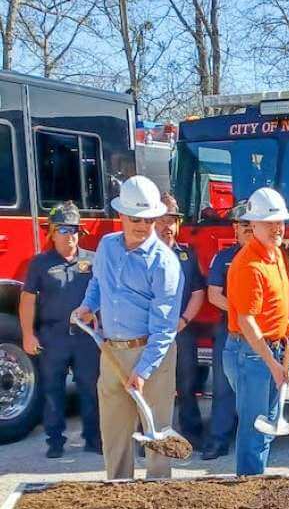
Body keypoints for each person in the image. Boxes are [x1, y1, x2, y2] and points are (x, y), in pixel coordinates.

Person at [72, 176, 183, 480]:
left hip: (153, 355)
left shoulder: (165, 264)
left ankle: (159, 496)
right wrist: (87, 306)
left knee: (156, 433)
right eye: (135, 219)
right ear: (120, 215)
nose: (143, 226)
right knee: (115, 432)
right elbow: (97, 283)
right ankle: (119, 494)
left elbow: (165, 327)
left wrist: (144, 370)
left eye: (149, 220)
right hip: (110, 352)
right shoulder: (107, 247)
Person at [224, 188, 289, 476]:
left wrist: (286, 324)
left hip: (267, 349)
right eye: (269, 223)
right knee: (255, 426)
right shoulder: (249, 265)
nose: (276, 228)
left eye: (280, 222)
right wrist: (272, 363)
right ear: (252, 225)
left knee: (267, 424)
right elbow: (247, 321)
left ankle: (257, 479)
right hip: (252, 354)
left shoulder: (276, 255)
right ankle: (249, 486)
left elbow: (268, 307)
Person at [19, 202, 100, 458]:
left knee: (90, 388)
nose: (70, 235)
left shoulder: (93, 260)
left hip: (85, 336)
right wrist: (27, 334)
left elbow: (104, 296)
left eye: (74, 229)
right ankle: (55, 441)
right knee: (53, 391)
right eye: (64, 229)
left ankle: (93, 438)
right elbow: (28, 299)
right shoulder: (39, 264)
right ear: (52, 233)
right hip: (52, 337)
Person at [155, 193, 206, 448]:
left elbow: (198, 292)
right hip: (150, 334)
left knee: (187, 385)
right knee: (153, 388)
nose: (167, 226)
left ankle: (191, 434)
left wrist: (184, 320)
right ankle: (152, 440)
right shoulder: (142, 256)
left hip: (181, 330)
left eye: (172, 219)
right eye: (162, 219)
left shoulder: (187, 255)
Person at [202, 202, 252, 460]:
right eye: (244, 225)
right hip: (229, 330)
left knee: (257, 389)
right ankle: (218, 440)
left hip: (261, 333)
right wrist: (242, 314)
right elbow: (213, 294)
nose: (248, 229)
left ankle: (255, 440)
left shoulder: (272, 257)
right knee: (223, 387)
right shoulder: (223, 258)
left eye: (252, 225)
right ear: (235, 228)